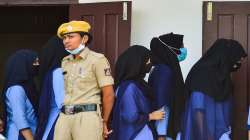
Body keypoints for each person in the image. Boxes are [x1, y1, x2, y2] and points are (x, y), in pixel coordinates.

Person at [54, 20, 115, 140]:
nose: (66, 41)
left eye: (71, 37)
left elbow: (109, 95)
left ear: (84, 39)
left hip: (87, 116)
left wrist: (104, 121)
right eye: (64, 38)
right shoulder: (65, 61)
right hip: (64, 116)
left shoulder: (97, 60)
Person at [181, 39, 247, 140]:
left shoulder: (222, 76)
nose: (237, 64)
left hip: (221, 133)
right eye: (237, 60)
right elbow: (197, 109)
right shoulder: (202, 75)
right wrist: (207, 136)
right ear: (227, 56)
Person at [110, 45, 165, 140]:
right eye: (147, 60)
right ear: (137, 63)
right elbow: (130, 116)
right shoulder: (129, 87)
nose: (150, 63)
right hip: (135, 134)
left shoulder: (136, 84)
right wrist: (151, 116)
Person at [148, 32, 187, 140]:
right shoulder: (164, 71)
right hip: (165, 132)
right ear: (171, 50)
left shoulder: (161, 68)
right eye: (181, 47)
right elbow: (162, 104)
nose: (183, 50)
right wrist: (162, 134)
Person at [35, 36, 68, 140]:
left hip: (51, 121)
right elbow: (63, 103)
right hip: (58, 123)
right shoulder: (59, 72)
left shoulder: (50, 72)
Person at [1, 50, 39, 140]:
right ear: (24, 64)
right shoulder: (16, 89)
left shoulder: (27, 87)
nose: (37, 65)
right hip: (20, 136)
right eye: (35, 62)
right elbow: (20, 119)